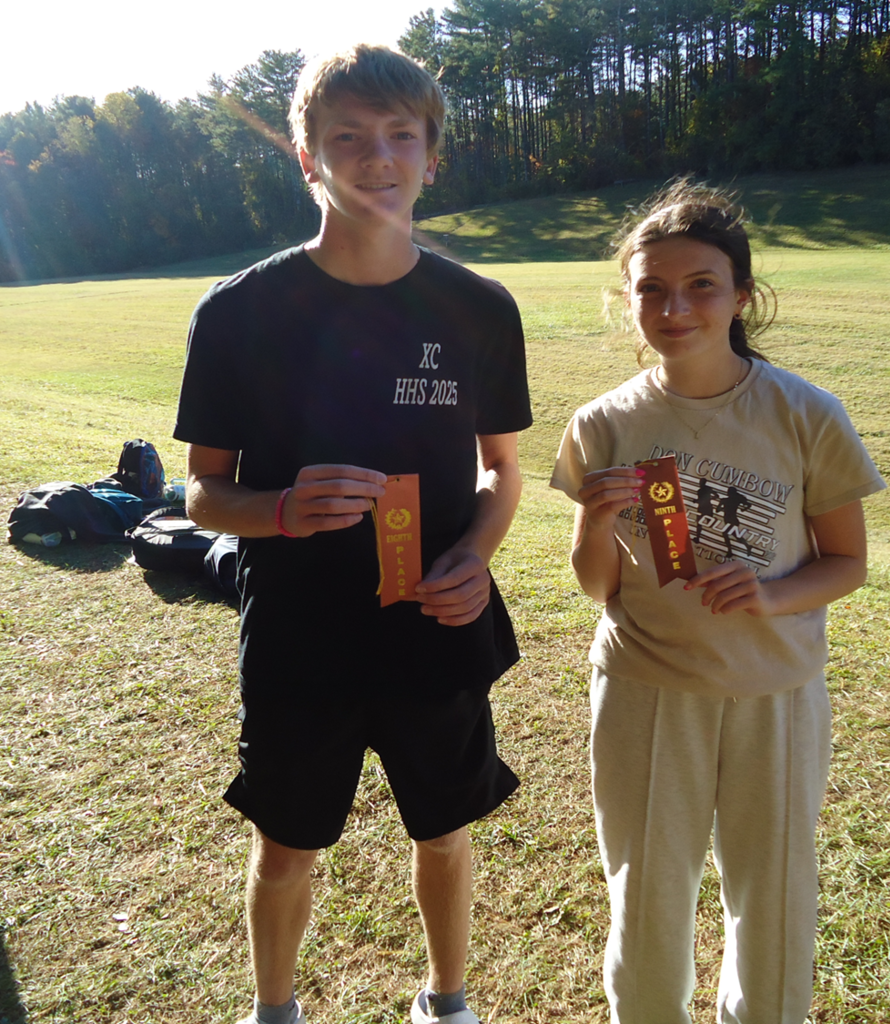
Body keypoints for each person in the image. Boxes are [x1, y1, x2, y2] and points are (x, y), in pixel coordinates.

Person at [174, 45, 531, 1024]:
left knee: (445, 831)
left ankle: (446, 1003)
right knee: (287, 842)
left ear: (430, 158)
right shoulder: (239, 312)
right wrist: (280, 509)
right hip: (299, 633)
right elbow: (202, 494)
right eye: (347, 138)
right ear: (306, 157)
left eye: (398, 137)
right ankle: (275, 1011)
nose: (375, 158)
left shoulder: (478, 307)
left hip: (433, 622)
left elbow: (503, 470)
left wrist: (473, 556)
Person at [550, 180, 885, 1024]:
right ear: (627, 300)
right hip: (645, 690)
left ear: (741, 296)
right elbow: (598, 585)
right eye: (651, 288)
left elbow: (846, 563)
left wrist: (770, 596)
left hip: (774, 690)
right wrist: (593, 519)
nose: (675, 307)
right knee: (647, 894)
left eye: (701, 284)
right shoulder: (603, 424)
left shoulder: (806, 414)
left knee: (773, 895)